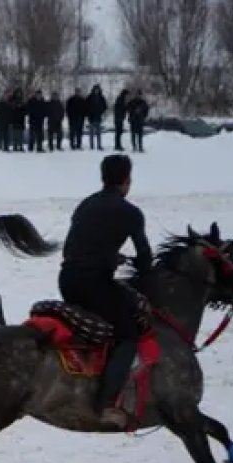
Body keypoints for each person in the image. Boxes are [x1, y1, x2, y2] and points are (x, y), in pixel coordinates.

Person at [58, 154, 153, 430]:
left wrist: (110, 257)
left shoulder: (85, 204)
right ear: (126, 180)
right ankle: (107, 403)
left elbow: (74, 248)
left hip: (67, 279)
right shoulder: (131, 213)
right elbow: (145, 259)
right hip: (94, 283)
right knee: (128, 333)